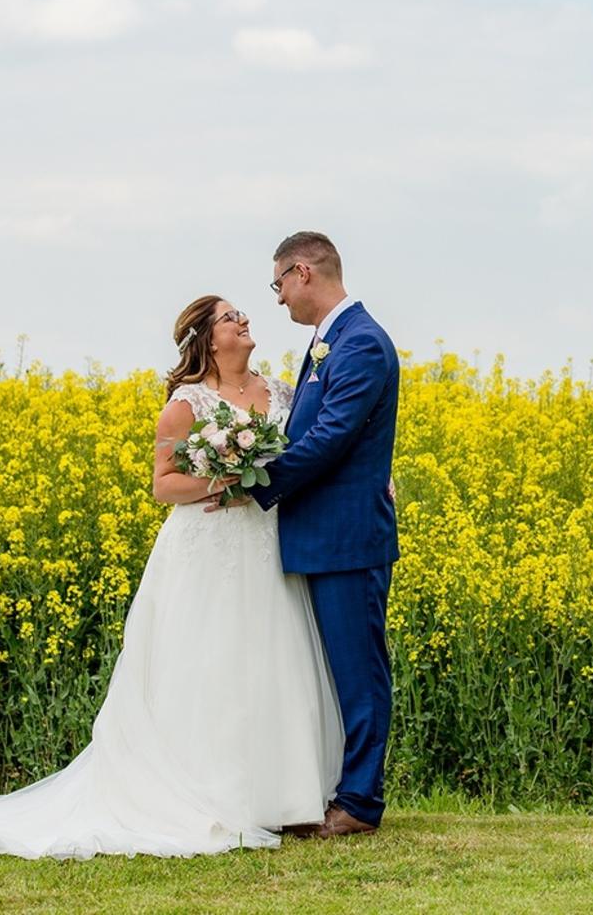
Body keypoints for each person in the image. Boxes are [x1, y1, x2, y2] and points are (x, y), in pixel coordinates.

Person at [0, 296, 342, 858]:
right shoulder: (185, 406)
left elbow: (310, 454)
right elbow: (164, 485)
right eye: (231, 317)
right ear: (207, 339)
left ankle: (285, 799)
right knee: (210, 666)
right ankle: (221, 798)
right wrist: (229, 483)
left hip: (267, 546)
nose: (245, 320)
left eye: (243, 314)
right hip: (209, 551)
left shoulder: (281, 392)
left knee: (274, 659)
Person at [237, 231, 399, 839]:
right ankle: (337, 788)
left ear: (302, 272)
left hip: (347, 538)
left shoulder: (359, 342)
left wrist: (254, 483)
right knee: (334, 672)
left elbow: (330, 437)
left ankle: (359, 802)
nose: (277, 299)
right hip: (325, 535)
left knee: (359, 672)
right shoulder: (331, 340)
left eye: (278, 284)